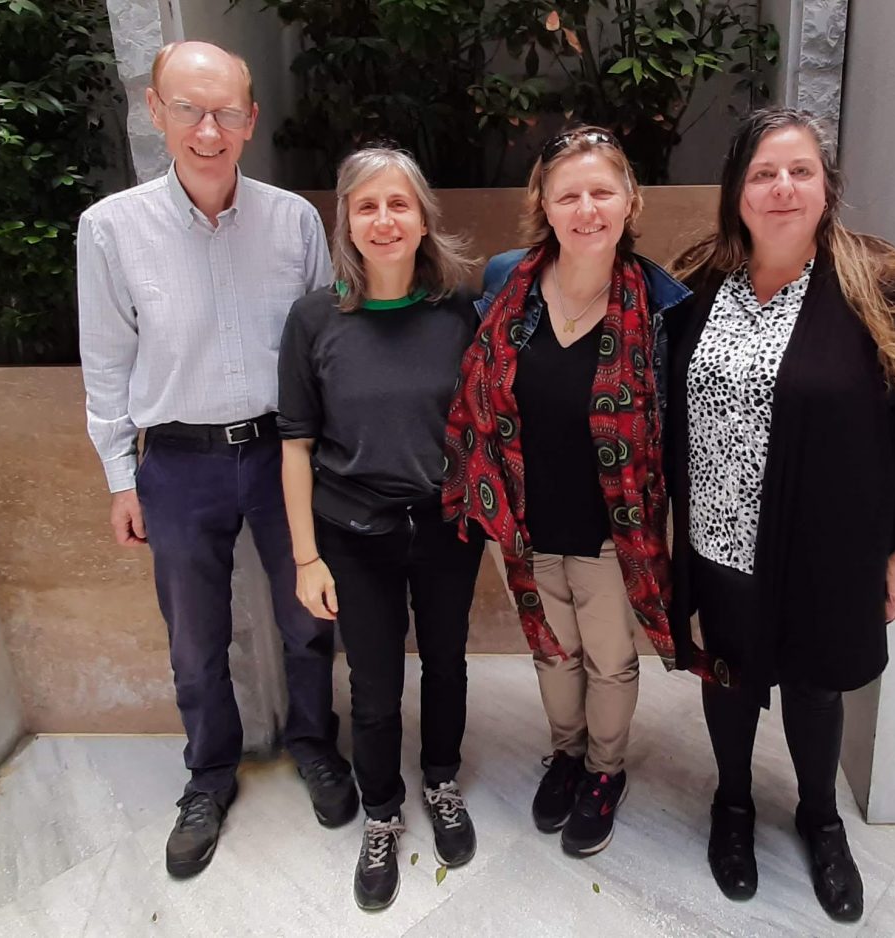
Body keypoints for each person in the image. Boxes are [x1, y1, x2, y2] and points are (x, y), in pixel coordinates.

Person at [665, 107, 895, 922]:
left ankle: (819, 817)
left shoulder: (880, 284)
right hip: (719, 541)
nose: (782, 187)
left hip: (829, 544)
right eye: (763, 173)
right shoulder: (696, 285)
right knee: (725, 676)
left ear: (828, 188)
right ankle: (731, 807)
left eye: (800, 170)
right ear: (736, 193)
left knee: (816, 686)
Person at [77, 41, 356, 879]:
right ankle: (207, 773)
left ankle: (315, 743)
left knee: (309, 618)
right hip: (177, 463)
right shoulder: (111, 229)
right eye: (189, 110)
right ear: (156, 112)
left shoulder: (293, 221)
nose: (209, 130)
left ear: (250, 119)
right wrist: (120, 477)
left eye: (226, 111)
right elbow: (106, 363)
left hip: (282, 454)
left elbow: (321, 348)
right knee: (194, 636)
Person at [442, 127, 691, 858]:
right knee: (553, 653)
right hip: (523, 517)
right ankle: (566, 753)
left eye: (602, 192)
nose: (587, 208)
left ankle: (605, 771)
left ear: (630, 201)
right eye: (569, 194)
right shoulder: (504, 282)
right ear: (544, 206)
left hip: (616, 526)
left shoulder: (662, 305)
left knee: (609, 658)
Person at [276, 145, 484, 912]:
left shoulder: (459, 314)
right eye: (367, 206)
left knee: (448, 663)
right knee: (371, 683)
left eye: (399, 204)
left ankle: (440, 780)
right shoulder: (312, 320)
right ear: (347, 222)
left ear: (424, 216)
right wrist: (306, 557)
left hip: (445, 527)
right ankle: (382, 811)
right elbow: (294, 445)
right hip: (350, 532)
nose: (385, 219)